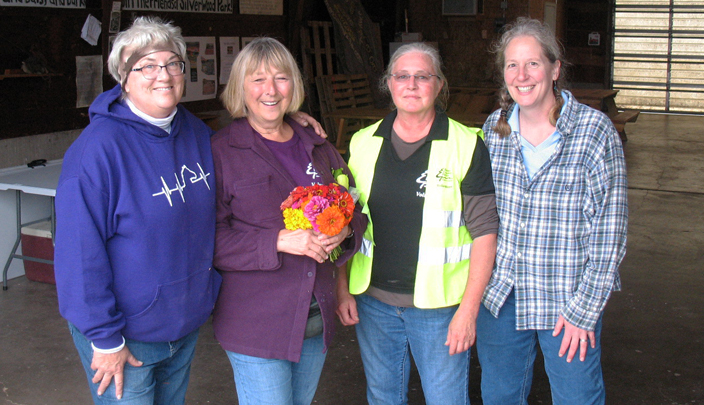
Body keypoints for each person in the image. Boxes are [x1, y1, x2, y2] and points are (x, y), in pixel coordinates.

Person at [54, 17, 325, 404]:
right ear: (123, 77)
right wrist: (105, 338)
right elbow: (77, 257)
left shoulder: (196, 133)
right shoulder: (96, 153)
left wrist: (291, 121)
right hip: (125, 338)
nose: (162, 75)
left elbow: (248, 145)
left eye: (172, 64)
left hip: (182, 325)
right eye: (146, 66)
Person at [476, 17, 628, 405]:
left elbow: (610, 230)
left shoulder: (594, 132)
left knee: (577, 397)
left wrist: (585, 310)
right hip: (501, 295)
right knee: (499, 397)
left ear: (555, 68)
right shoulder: (494, 130)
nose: (522, 75)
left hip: (567, 299)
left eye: (533, 64)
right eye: (512, 65)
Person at [336, 42, 499, 404]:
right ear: (389, 84)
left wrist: (469, 311)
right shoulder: (362, 143)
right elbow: (343, 224)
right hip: (373, 302)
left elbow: (486, 233)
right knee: (382, 397)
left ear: (439, 85)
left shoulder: (465, 144)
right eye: (402, 76)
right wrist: (342, 289)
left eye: (422, 76)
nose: (411, 85)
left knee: (446, 399)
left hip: (440, 310)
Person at [210, 37, 367, 405]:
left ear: (293, 85)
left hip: (315, 318)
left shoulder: (317, 144)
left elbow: (355, 207)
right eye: (258, 79)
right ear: (240, 88)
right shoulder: (220, 151)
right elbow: (208, 240)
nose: (271, 90)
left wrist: (344, 230)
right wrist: (277, 240)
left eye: (281, 78)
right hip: (256, 323)